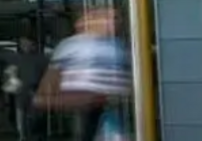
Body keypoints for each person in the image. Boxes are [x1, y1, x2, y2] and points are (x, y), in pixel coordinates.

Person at [34, 7, 130, 141]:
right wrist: (81, 100)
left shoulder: (120, 45)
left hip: (119, 109)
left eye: (116, 18)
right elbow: (45, 92)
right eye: (107, 17)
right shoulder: (71, 46)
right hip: (86, 109)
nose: (113, 22)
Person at [10, 38, 49, 141]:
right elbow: (12, 76)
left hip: (34, 90)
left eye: (27, 44)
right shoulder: (17, 59)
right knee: (22, 116)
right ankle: (23, 136)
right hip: (22, 92)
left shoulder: (41, 59)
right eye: (23, 44)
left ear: (33, 45)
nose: (25, 46)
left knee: (35, 117)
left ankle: (34, 135)